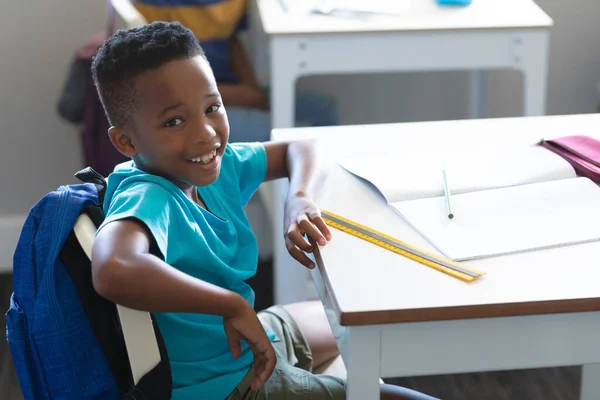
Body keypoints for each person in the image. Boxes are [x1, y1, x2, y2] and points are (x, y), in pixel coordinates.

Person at [90, 21, 438, 400]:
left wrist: (299, 197)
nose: (206, 132)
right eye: (174, 121)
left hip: (249, 336)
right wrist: (230, 304)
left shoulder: (209, 168)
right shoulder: (147, 196)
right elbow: (112, 269)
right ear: (125, 140)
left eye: (212, 107)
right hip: (228, 385)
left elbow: (300, 147)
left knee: (362, 321)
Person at [132, 0, 339, 143]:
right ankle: (287, 198)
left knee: (324, 109)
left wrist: (252, 90)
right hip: (189, 105)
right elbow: (163, 80)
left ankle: (321, 199)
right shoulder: (157, 7)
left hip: (227, 89)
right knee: (295, 132)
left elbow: (231, 40)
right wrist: (238, 96)